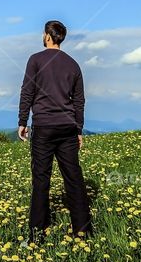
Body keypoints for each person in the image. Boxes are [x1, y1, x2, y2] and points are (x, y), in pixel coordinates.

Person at [18, 19, 92, 245]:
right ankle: (83, 232)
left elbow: (27, 92)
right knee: (74, 178)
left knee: (41, 179)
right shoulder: (73, 64)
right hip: (68, 127)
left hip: (44, 127)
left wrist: (22, 121)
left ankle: (36, 236)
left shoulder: (35, 60)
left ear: (48, 36)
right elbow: (79, 101)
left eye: (43, 33)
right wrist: (78, 129)